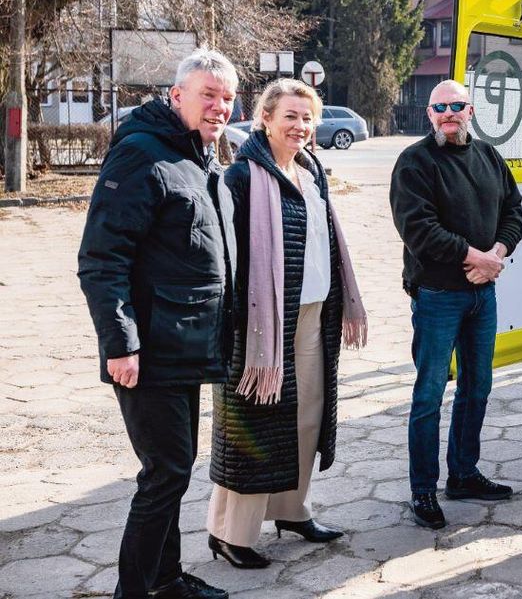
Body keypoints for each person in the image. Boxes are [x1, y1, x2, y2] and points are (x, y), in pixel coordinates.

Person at [77, 49, 239, 599]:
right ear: (177, 96)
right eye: (208, 95)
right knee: (165, 471)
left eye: (227, 97)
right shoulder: (141, 156)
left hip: (185, 345)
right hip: (147, 349)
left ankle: (166, 578)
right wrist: (120, 344)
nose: (219, 107)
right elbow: (103, 259)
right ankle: (136, 589)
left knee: (176, 466)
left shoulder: (195, 157)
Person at [206, 79, 367, 568]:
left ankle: (293, 510)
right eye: (291, 116)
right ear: (266, 119)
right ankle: (230, 534)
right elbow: (227, 261)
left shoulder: (311, 170)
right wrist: (235, 328)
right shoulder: (242, 177)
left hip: (316, 313)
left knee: (307, 419)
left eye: (307, 117)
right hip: (261, 328)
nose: (300, 126)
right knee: (254, 425)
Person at [389, 79, 522, 529]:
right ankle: (423, 490)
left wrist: (497, 257)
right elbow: (418, 229)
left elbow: (514, 211)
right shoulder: (414, 162)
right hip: (437, 296)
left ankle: (463, 474)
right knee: (428, 395)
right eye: (439, 107)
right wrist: (475, 257)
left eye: (457, 106)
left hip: (482, 293)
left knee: (477, 387)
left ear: (471, 111)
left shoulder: (488, 156)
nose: (448, 113)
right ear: (430, 115)